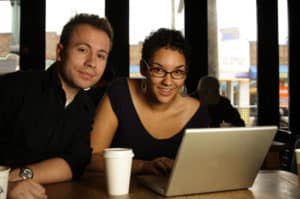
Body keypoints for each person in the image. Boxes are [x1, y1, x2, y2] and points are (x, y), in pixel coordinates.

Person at [0, 13, 113, 199]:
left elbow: (75, 162)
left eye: (101, 56)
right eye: (83, 50)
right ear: (60, 52)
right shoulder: (14, 88)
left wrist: (20, 176)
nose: (92, 63)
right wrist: (4, 187)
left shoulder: (86, 108)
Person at [88, 28, 210, 176]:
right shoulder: (120, 93)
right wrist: (142, 166)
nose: (168, 81)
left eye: (177, 72)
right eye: (158, 70)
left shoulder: (199, 113)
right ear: (143, 69)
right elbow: (91, 159)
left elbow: (200, 169)